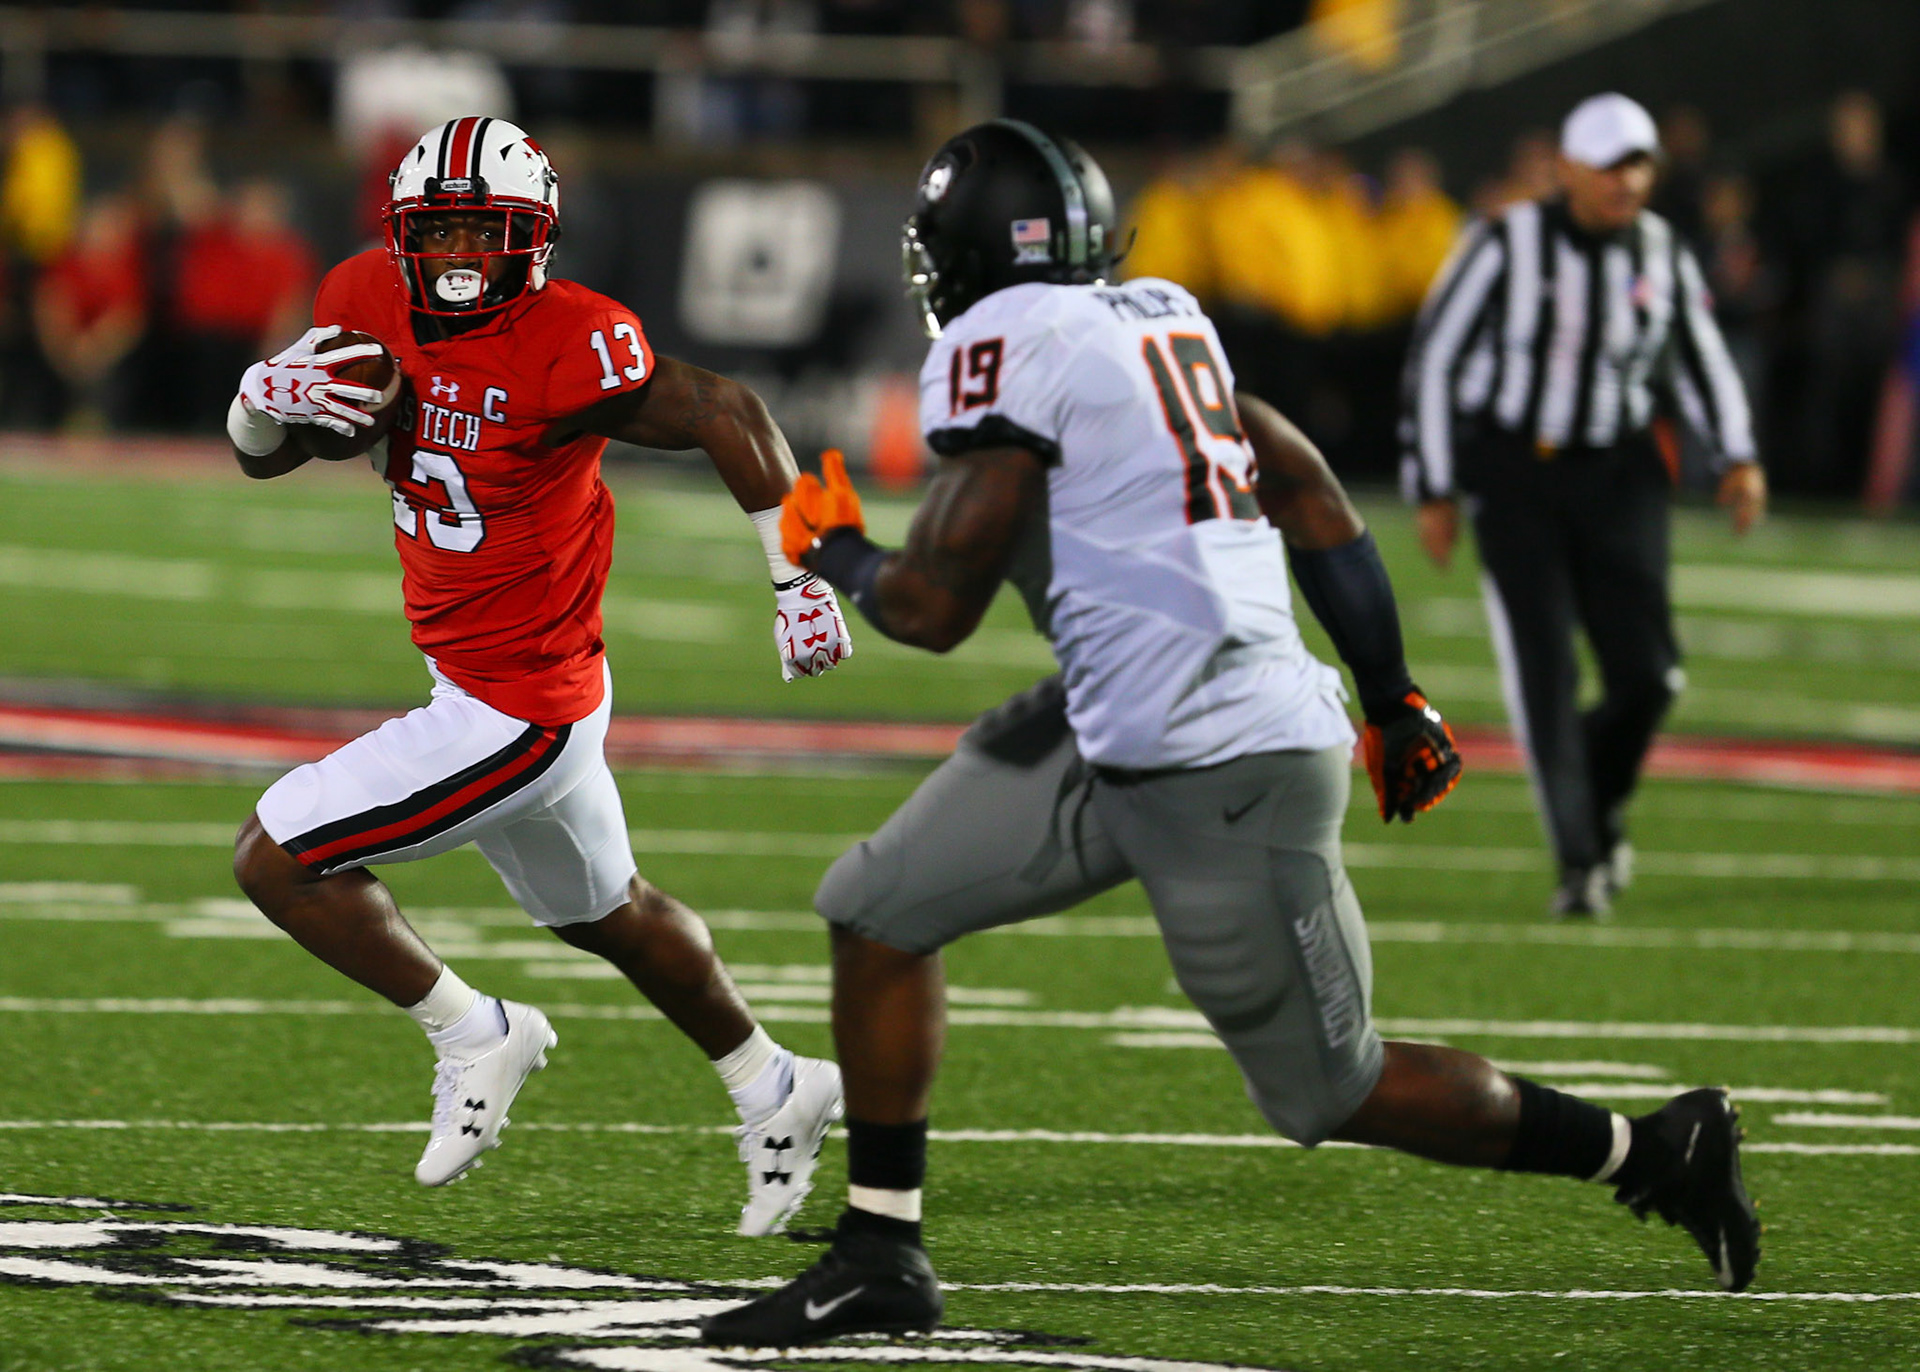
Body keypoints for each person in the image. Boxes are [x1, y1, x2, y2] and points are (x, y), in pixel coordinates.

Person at [700, 119, 1760, 1348]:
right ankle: (881, 1250)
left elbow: (933, 609)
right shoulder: (1155, 316)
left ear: (978, 257)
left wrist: (834, 550)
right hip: (1120, 721)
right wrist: (1394, 692)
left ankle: (1653, 1150)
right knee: (877, 905)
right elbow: (1306, 483)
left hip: (1224, 760)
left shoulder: (1009, 343)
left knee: (1333, 1086)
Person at [224, 117, 852, 1235]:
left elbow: (732, 412)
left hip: (523, 706)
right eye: (443, 229)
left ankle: (475, 1030)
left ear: (534, 240)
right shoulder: (365, 296)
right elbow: (281, 451)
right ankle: (775, 1081)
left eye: (485, 230)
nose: (462, 253)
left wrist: (797, 571)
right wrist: (257, 404)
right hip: (494, 683)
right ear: (405, 235)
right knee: (609, 914)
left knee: (277, 857)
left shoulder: (573, 340)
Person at [1399, 92, 1767, 917]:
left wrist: (1737, 454)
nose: (1627, 180)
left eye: (1639, 162)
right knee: (1547, 673)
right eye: (1609, 163)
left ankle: (1594, 802)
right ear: (1568, 168)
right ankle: (1579, 860)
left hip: (1621, 471)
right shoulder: (1504, 242)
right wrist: (1433, 485)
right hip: (1516, 474)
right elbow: (1436, 359)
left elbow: (1698, 356)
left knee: (1651, 675)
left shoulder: (1661, 247)